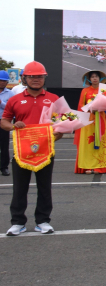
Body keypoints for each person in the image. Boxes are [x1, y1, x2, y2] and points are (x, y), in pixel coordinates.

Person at [2, 62, 62, 236]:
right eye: (32, 76)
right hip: (22, 152)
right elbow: (4, 121)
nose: (36, 80)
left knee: (45, 187)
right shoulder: (14, 99)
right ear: (24, 78)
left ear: (44, 78)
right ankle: (17, 222)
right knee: (19, 188)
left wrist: (58, 133)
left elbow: (62, 122)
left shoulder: (54, 98)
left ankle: (43, 221)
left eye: (40, 76)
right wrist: (13, 126)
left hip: (45, 151)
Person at [74, 70, 106, 174]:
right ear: (89, 79)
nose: (94, 78)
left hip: (102, 120)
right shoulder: (85, 91)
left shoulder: (104, 90)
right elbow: (81, 106)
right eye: (92, 77)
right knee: (88, 143)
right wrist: (90, 109)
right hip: (88, 121)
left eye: (96, 77)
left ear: (99, 78)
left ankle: (99, 166)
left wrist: (101, 108)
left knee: (101, 142)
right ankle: (87, 166)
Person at [0, 71, 15, 176]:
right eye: (0, 80)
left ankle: (4, 167)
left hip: (3, 121)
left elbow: (10, 108)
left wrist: (1, 103)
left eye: (4, 81)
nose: (2, 83)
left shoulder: (10, 94)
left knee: (4, 145)